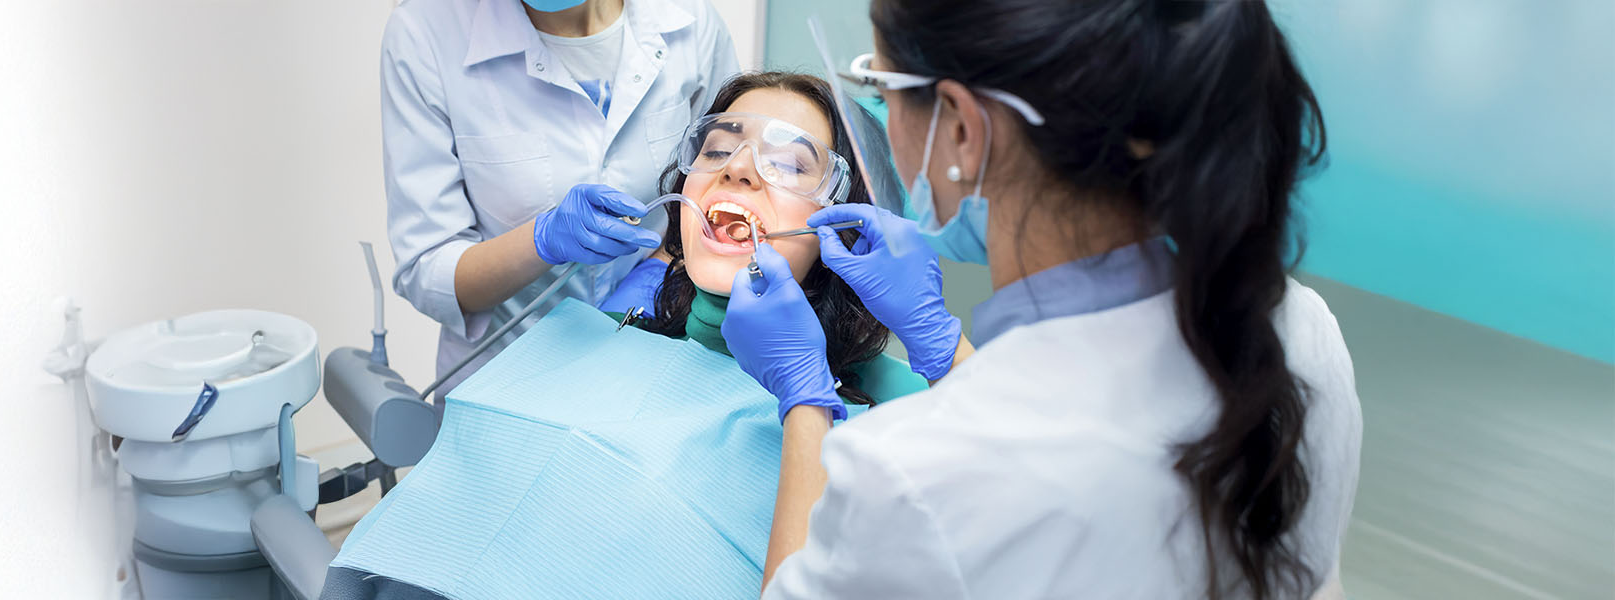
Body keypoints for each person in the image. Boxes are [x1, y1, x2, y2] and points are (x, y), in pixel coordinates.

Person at [723, 1, 1365, 598]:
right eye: (718, 148)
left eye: (882, 91)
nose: (737, 170)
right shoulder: (1303, 330)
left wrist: (805, 398)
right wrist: (940, 341)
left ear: (964, 133)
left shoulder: (907, 472)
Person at [323, 72, 923, 599]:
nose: (738, 167)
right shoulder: (604, 332)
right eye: (716, 149)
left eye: (789, 164)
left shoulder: (889, 406)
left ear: (849, 227)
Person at [380, 0, 738, 393]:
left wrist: (653, 274)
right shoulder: (427, 30)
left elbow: (723, 186)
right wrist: (541, 240)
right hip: (507, 379)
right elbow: (428, 269)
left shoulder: (688, 17)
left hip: (657, 357)